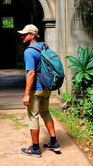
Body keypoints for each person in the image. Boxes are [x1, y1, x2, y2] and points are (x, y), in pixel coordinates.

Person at [17, 24, 60, 158]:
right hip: (47, 87)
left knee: (33, 116)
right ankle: (54, 142)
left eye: (25, 34)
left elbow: (31, 73)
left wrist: (26, 94)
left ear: (33, 35)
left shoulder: (29, 51)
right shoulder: (44, 47)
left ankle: (35, 149)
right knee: (45, 112)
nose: (22, 36)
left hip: (36, 89)